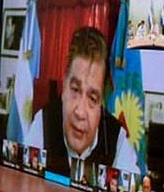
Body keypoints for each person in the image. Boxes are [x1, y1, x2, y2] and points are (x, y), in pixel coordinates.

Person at [25, 27, 139, 177]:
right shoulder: (43, 122)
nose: (80, 112)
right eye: (75, 90)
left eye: (92, 98)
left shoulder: (117, 140)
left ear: (102, 104)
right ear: (64, 86)